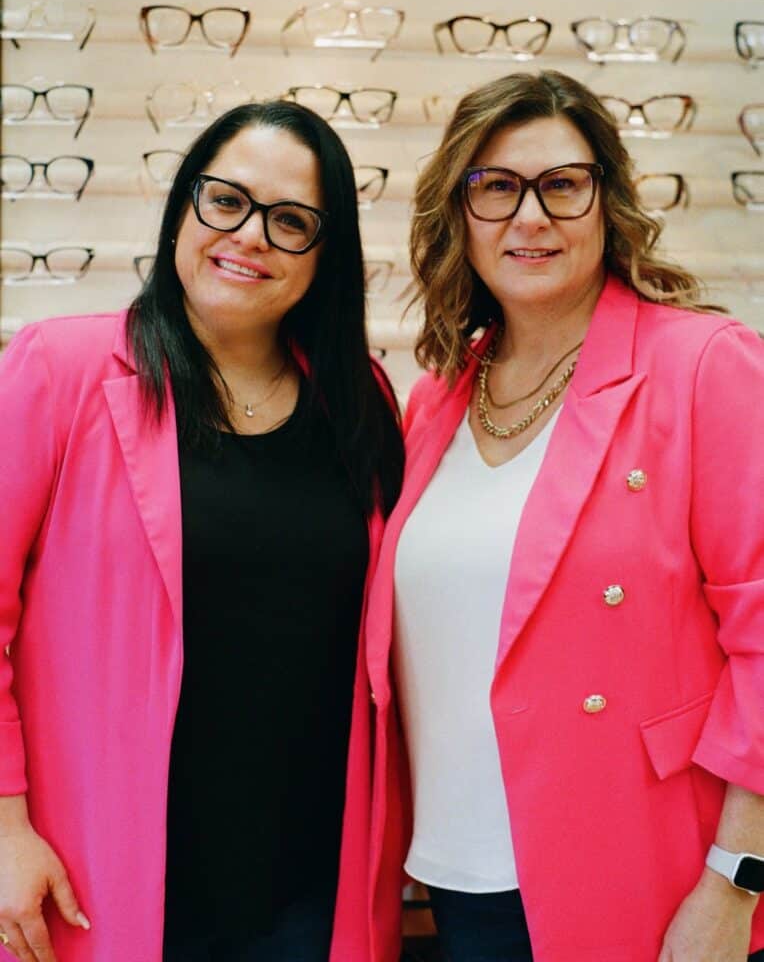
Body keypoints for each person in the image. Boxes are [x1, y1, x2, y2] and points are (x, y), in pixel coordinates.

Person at [333, 70, 764, 962]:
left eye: (562, 184)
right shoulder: (438, 400)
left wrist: (736, 883)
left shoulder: (705, 367)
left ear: (607, 202)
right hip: (458, 877)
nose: (530, 217)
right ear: (459, 213)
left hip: (651, 875)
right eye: (496, 187)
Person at [0, 100, 404, 962]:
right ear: (185, 205)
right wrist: (4, 828)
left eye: (291, 221)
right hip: (103, 872)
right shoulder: (59, 370)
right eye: (226, 201)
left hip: (309, 884)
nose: (250, 235)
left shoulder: (359, 399)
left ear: (327, 253)